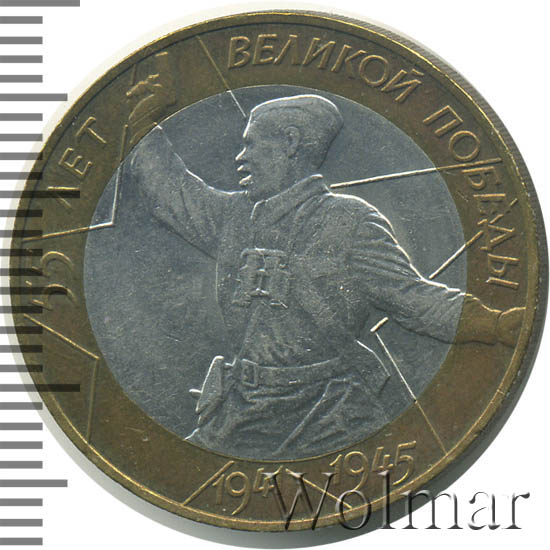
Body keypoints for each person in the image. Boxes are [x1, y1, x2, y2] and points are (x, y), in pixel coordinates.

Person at [129, 94, 522, 459]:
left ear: (290, 142)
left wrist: (496, 324)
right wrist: (145, 132)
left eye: (251, 144)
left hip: (327, 416)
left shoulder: (351, 222)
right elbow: (172, 192)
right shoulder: (232, 216)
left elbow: (415, 300)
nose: (240, 157)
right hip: (240, 412)